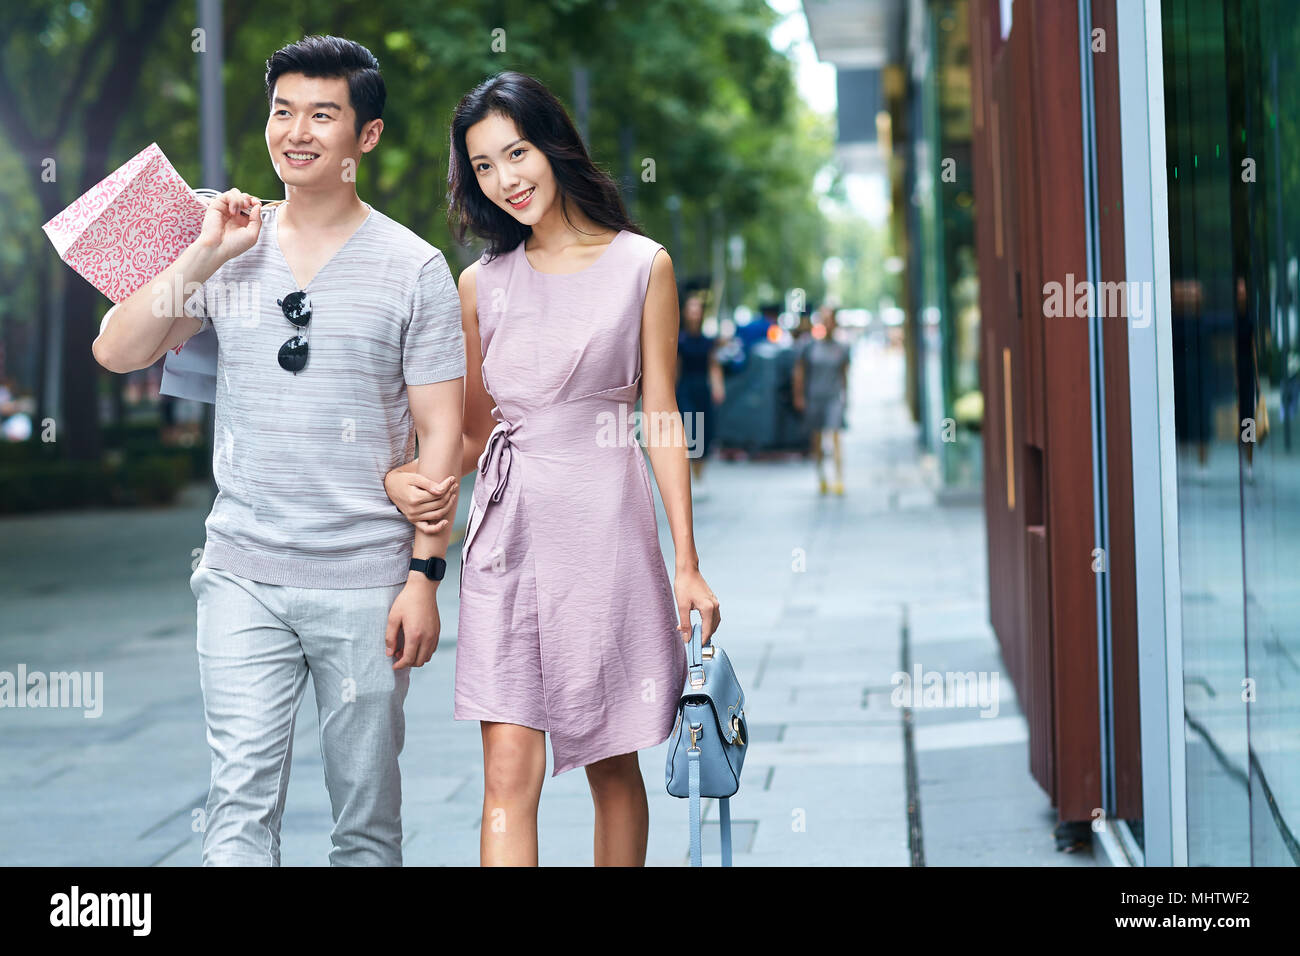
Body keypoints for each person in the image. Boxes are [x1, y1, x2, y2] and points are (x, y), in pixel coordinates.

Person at [92, 35, 466, 866]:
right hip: (241, 571)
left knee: (366, 822)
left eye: (322, 114)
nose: (296, 131)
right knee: (237, 808)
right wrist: (204, 251)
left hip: (367, 582)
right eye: (282, 111)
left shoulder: (415, 269)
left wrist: (424, 579)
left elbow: (441, 437)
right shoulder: (230, 244)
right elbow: (117, 350)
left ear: (364, 136)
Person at [384, 70, 721, 867]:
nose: (506, 180)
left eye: (517, 152)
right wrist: (399, 476)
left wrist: (689, 564)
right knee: (506, 769)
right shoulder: (479, 286)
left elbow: (662, 417)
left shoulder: (644, 265)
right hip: (505, 538)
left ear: (554, 146)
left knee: (612, 759)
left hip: (606, 530)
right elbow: (466, 438)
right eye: (485, 167)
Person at [793, 304, 851, 494]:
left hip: (833, 397)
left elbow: (844, 375)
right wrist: (799, 396)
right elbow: (800, 372)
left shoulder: (842, 348)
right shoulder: (809, 347)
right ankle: (822, 477)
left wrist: (846, 397)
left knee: (835, 435)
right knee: (816, 439)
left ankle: (839, 478)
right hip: (814, 397)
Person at [675, 292, 724, 490]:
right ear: (685, 312)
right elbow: (675, 369)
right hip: (685, 388)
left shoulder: (708, 341)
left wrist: (718, 386)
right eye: (691, 308)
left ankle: (699, 477)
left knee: (704, 433)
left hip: (702, 389)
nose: (695, 313)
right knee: (689, 429)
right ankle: (687, 478)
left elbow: (713, 365)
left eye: (698, 308)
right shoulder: (679, 340)